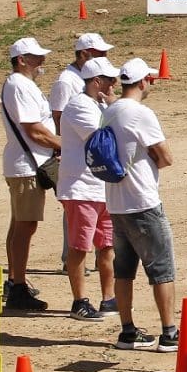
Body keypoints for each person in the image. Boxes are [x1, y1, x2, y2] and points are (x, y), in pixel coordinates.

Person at [105, 58, 179, 352]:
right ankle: (169, 332)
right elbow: (166, 157)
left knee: (124, 270)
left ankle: (128, 331)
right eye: (150, 79)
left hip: (116, 202)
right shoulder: (140, 113)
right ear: (141, 82)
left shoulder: (109, 111)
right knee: (162, 269)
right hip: (142, 202)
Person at [1, 38, 62, 311]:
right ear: (21, 60)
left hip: (24, 163)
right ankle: (18, 286)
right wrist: (66, 144)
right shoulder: (19, 86)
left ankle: (16, 282)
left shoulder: (21, 85)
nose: (42, 61)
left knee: (20, 225)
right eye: (35, 57)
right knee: (25, 226)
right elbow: (34, 130)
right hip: (28, 166)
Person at [58, 57, 120, 321]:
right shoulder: (79, 106)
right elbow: (105, 139)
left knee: (106, 246)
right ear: (97, 82)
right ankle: (79, 301)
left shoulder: (96, 105)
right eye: (110, 79)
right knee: (80, 247)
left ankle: (108, 298)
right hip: (81, 187)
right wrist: (116, 107)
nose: (115, 83)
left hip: (100, 186)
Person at [50, 32, 114, 272]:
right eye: (100, 53)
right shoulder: (67, 81)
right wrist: (60, 147)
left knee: (85, 213)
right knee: (77, 210)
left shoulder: (84, 80)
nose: (105, 56)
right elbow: (58, 116)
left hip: (87, 159)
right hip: (72, 154)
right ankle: (71, 258)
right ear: (84, 54)